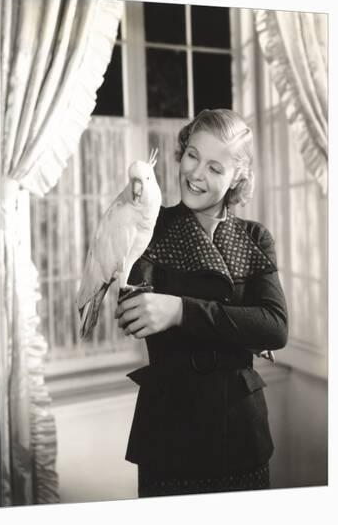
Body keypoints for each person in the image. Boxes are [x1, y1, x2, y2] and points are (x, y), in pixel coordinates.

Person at [114, 108, 288, 498]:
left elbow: (275, 327)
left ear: (236, 178)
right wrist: (240, 329)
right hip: (169, 433)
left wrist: (179, 310)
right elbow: (132, 313)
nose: (196, 174)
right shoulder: (150, 226)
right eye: (192, 155)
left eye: (215, 167)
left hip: (240, 433)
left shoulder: (255, 237)